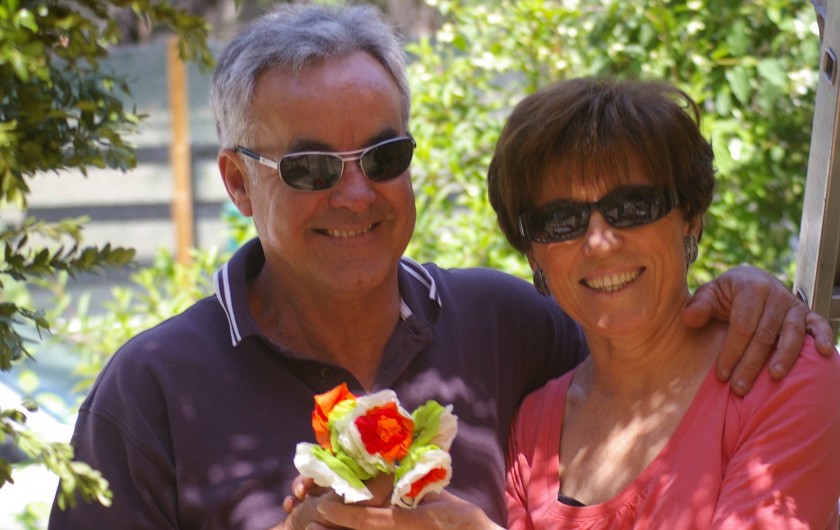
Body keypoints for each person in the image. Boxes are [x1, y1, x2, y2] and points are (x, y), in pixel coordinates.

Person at [47, 5, 836, 530]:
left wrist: (749, 290)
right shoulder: (151, 393)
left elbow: (648, 337)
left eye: (383, 156)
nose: (355, 195)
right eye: (312, 168)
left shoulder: (509, 327)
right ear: (237, 183)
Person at [486, 77, 840, 528]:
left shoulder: (786, 375)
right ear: (534, 253)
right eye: (560, 220)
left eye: (632, 206)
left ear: (690, 218)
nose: (600, 242)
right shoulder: (529, 433)